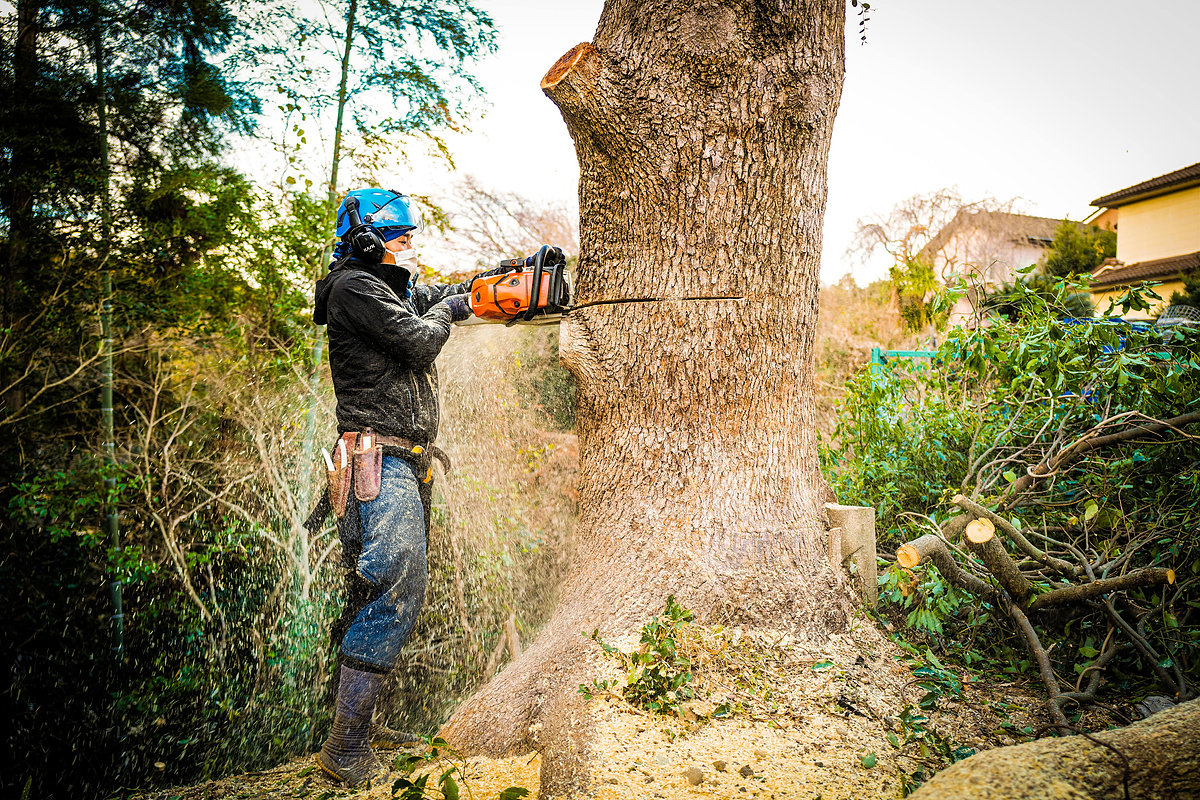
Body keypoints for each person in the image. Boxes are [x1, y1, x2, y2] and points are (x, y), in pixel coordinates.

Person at [311, 188, 489, 786]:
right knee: (396, 581)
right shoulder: (353, 290)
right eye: (397, 235)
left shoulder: (394, 288)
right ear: (364, 238)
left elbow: (445, 296)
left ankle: (361, 725)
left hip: (403, 462)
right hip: (375, 460)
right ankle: (345, 743)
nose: (408, 243)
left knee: (378, 591)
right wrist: (451, 313)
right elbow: (421, 339)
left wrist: (498, 281)